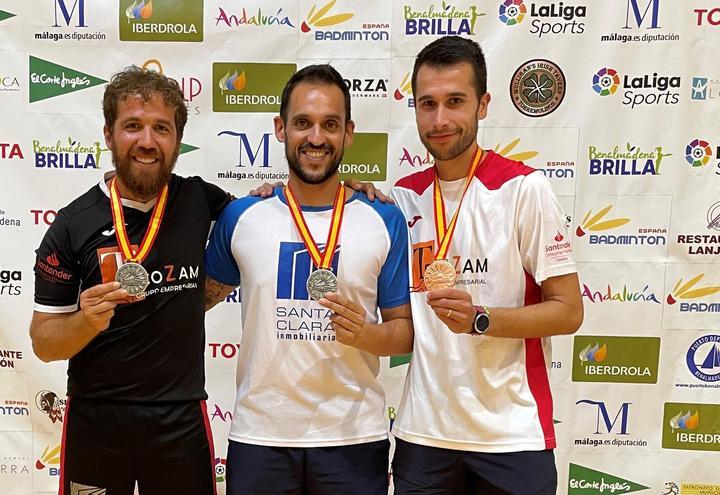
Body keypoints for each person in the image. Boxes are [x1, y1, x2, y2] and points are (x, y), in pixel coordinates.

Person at [202, 64, 413, 495]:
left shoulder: (384, 218)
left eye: (330, 125)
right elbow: (191, 301)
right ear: (280, 129)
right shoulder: (242, 216)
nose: (316, 137)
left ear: (348, 133)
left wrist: (366, 334)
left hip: (353, 438)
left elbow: (404, 334)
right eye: (303, 123)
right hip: (261, 436)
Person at [388, 36, 583, 494]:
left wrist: (481, 319)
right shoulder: (401, 198)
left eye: (455, 101)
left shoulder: (523, 189)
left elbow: (568, 310)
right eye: (427, 104)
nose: (440, 120)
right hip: (424, 434)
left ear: (483, 104)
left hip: (511, 435)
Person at [29, 66, 233, 495]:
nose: (147, 141)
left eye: (161, 128)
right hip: (97, 420)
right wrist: (84, 322)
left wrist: (350, 191)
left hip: (179, 420)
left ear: (177, 140)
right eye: (132, 126)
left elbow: (273, 219)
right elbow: (44, 342)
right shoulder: (72, 224)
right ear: (108, 134)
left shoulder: (200, 200)